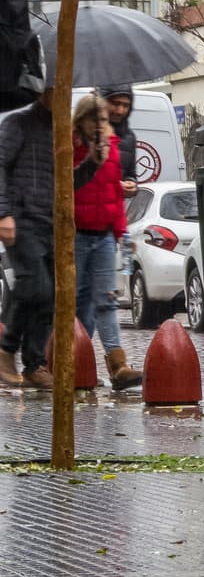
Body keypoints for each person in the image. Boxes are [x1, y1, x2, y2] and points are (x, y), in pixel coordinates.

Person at [72, 94, 143, 390]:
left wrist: (121, 232)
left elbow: (113, 195)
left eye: (104, 120)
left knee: (106, 301)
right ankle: (77, 363)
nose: (101, 125)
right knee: (78, 303)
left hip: (103, 237)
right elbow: (68, 184)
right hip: (76, 235)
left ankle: (118, 365)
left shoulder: (113, 148)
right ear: (82, 121)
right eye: (95, 120)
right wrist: (89, 157)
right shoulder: (72, 146)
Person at [0, 88, 62, 388]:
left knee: (49, 297)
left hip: (52, 224)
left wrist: (92, 160)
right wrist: (4, 213)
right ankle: (7, 348)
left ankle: (34, 363)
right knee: (34, 285)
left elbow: (69, 177)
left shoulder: (63, 129)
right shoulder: (17, 123)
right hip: (22, 220)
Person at [97, 85, 138, 199]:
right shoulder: (87, 131)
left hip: (114, 211)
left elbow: (131, 174)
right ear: (102, 102)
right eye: (115, 103)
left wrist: (132, 186)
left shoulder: (129, 138)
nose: (120, 111)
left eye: (125, 105)